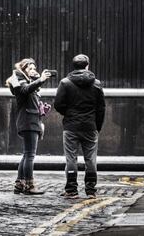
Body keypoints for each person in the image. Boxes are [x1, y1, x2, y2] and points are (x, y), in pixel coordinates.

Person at [53, 54, 106, 199]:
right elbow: (101, 108)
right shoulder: (96, 84)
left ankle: (71, 190)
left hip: (71, 126)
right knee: (91, 159)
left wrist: (68, 114)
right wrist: (97, 126)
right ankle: (90, 191)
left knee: (71, 158)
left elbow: (58, 104)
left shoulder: (65, 83)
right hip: (90, 126)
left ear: (74, 66)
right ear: (87, 65)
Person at [7, 58, 53, 195]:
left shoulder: (27, 83)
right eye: (30, 69)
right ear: (23, 70)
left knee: (26, 154)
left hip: (29, 121)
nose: (33, 70)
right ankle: (29, 185)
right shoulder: (19, 81)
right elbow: (25, 90)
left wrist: (41, 108)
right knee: (30, 155)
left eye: (34, 68)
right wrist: (40, 80)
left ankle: (20, 183)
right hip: (28, 122)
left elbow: (30, 92)